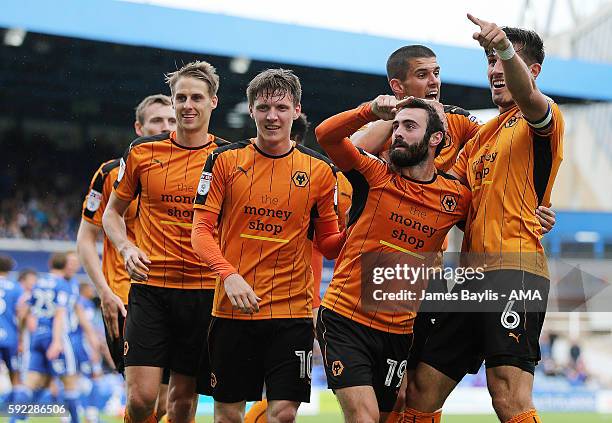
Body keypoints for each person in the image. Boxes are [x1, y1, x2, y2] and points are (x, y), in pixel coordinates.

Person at [403, 16, 564, 423]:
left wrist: (506, 49)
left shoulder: (541, 118)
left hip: (517, 269)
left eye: (502, 61)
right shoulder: (478, 139)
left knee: (507, 395)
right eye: (489, 61)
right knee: (421, 388)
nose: (494, 69)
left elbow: (530, 97)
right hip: (472, 278)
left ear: (533, 71)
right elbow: (447, 199)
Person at [191, 68, 344, 423]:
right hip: (232, 310)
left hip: (292, 312)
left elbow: (330, 244)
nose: (271, 116)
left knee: (284, 414)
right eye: (262, 108)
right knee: (228, 415)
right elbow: (199, 231)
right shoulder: (224, 160)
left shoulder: (320, 170)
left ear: (297, 110)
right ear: (250, 110)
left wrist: (361, 228)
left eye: (280, 107)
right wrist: (228, 274)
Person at [314, 95, 471, 423]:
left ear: (435, 139)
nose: (398, 132)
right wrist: (369, 111)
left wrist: (538, 216)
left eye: (409, 126)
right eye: (396, 126)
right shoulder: (374, 175)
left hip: (399, 333)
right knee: (365, 417)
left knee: (388, 417)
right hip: (346, 320)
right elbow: (326, 135)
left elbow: (492, 219)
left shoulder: (455, 198)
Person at [103, 61, 228, 423]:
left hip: (204, 294)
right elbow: (112, 214)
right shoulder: (142, 153)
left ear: (213, 102)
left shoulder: (230, 158)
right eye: (181, 97)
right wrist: (126, 247)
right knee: (142, 400)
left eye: (197, 98)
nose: (188, 105)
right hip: (151, 290)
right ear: (173, 102)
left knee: (182, 404)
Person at [77, 93, 176, 421]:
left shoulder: (189, 175)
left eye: (171, 120)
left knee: (165, 404)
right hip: (124, 299)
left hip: (175, 296)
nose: (165, 127)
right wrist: (104, 293)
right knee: (140, 398)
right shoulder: (109, 175)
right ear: (139, 127)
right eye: (157, 121)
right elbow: (86, 238)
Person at [11, 252, 81, 423]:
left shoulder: (38, 283)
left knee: (31, 383)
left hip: (36, 338)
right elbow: (60, 314)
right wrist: (57, 341)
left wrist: (22, 335)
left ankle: (15, 420)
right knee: (70, 381)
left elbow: (23, 309)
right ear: (65, 266)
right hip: (54, 336)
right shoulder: (62, 284)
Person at [0, 254, 25, 408]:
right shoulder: (16, 288)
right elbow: (21, 314)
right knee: (15, 375)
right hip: (10, 337)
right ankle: (17, 412)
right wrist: (21, 338)